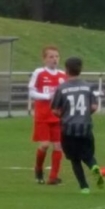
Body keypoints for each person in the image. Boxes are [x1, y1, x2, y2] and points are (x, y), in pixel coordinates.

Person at [51, 57, 105, 194]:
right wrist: (86, 114)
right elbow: (94, 106)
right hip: (85, 127)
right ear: (81, 69)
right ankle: (94, 167)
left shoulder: (61, 88)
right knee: (88, 156)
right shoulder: (88, 86)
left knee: (75, 160)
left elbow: (55, 110)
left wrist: (64, 116)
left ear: (66, 70)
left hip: (68, 129)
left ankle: (84, 187)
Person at [29, 46, 68, 185]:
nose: (54, 59)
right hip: (43, 116)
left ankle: (53, 177)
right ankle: (38, 168)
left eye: (56, 56)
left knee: (58, 146)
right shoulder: (39, 72)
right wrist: (47, 96)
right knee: (45, 145)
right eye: (51, 57)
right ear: (44, 59)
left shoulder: (63, 75)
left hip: (58, 116)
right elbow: (31, 92)